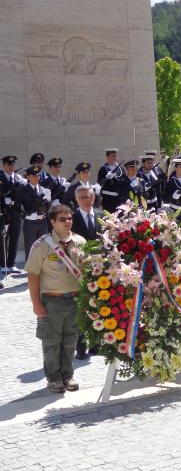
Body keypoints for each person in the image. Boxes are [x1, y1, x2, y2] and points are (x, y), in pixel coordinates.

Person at [25, 205, 86, 393]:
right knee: (51, 341)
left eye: (69, 218)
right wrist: (36, 303)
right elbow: (33, 275)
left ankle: (67, 375)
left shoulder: (80, 242)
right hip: (52, 301)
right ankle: (53, 378)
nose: (68, 221)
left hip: (74, 300)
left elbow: (87, 273)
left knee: (71, 341)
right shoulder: (42, 244)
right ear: (52, 222)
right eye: (62, 219)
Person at [70, 186, 100, 360]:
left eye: (88, 197)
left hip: (99, 269)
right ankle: (80, 347)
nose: (85, 200)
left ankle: (96, 343)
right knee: (81, 308)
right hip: (79, 269)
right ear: (76, 200)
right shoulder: (71, 219)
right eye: (81, 198)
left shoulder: (102, 216)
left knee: (98, 305)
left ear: (93, 198)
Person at [17, 166, 53, 262]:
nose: (36, 177)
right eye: (33, 175)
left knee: (43, 246)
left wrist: (48, 201)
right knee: (30, 247)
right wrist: (25, 215)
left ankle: (43, 267)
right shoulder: (22, 190)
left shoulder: (44, 190)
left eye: (38, 175)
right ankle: (30, 270)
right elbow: (16, 208)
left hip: (42, 221)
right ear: (28, 177)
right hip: (30, 223)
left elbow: (48, 208)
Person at [0, 156, 26, 273]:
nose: (11, 167)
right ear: (3, 165)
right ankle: (2, 264)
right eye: (8, 164)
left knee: (14, 239)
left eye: (12, 164)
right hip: (3, 214)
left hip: (15, 213)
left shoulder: (18, 178)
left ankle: (11, 264)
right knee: (2, 240)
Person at [97, 148, 123, 214]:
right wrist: (106, 177)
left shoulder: (121, 168)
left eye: (115, 156)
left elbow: (124, 180)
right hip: (108, 199)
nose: (115, 157)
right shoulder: (103, 169)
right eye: (112, 156)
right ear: (107, 157)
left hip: (119, 199)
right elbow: (99, 183)